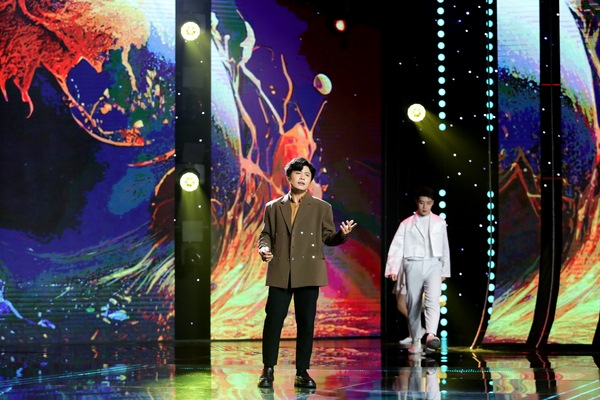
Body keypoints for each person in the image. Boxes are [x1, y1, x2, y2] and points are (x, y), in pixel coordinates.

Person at [257, 157, 357, 389]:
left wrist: (342, 235)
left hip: (309, 272)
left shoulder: (322, 207)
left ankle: (302, 372)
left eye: (307, 175)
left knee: (305, 323)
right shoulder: (273, 207)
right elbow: (266, 234)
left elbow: (328, 237)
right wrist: (263, 248)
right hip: (281, 271)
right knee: (273, 321)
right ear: (288, 176)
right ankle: (268, 369)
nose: (302, 178)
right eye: (298, 173)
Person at [385, 186, 450, 354]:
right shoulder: (406, 224)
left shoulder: (439, 222)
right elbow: (397, 246)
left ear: (433, 203)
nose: (425, 206)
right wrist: (393, 268)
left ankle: (431, 335)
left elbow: (445, 247)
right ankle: (415, 339)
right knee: (413, 303)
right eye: (422, 203)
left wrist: (445, 270)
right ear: (417, 202)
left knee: (432, 300)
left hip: (434, 264)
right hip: (412, 264)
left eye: (428, 203)